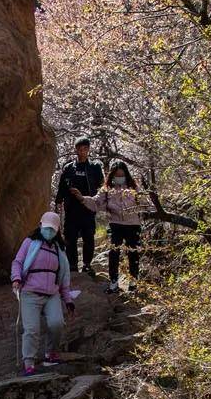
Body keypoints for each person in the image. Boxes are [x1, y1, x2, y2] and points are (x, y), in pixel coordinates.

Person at [11, 211, 75, 375]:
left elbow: (63, 277)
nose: (49, 232)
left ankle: (51, 354)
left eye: (52, 229)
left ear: (57, 230)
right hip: (30, 292)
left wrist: (68, 300)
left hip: (52, 294)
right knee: (31, 329)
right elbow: (18, 262)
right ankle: (29, 363)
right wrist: (16, 278)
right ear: (40, 225)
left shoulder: (59, 250)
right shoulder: (29, 242)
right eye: (46, 228)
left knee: (57, 324)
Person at [71, 160, 147, 293]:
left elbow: (145, 203)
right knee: (114, 253)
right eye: (117, 175)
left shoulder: (134, 187)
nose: (119, 178)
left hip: (133, 224)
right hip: (116, 224)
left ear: (126, 174)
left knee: (133, 253)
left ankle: (133, 282)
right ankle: (113, 281)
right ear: (112, 175)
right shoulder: (106, 190)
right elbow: (95, 202)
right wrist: (82, 198)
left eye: (122, 175)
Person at [54, 136, 104, 274]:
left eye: (85, 149)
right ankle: (73, 265)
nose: (82, 152)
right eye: (79, 149)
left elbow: (102, 186)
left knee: (89, 236)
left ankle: (87, 264)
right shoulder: (69, 168)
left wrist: (97, 201)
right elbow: (62, 187)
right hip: (71, 208)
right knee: (70, 237)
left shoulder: (95, 167)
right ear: (75, 150)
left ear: (88, 150)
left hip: (88, 207)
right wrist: (58, 201)